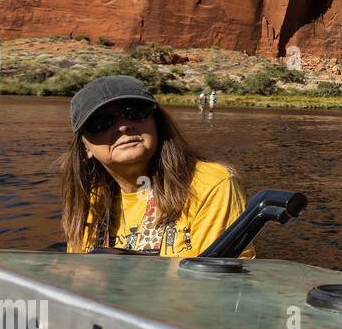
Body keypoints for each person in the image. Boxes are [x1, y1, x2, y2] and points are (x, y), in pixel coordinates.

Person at [60, 75, 251, 256]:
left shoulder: (209, 184)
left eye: (134, 113)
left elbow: (218, 281)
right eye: (100, 123)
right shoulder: (91, 201)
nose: (123, 126)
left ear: (156, 122)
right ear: (85, 148)